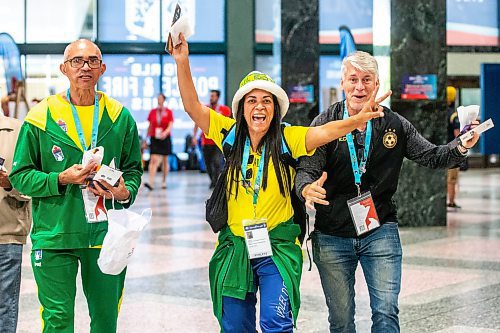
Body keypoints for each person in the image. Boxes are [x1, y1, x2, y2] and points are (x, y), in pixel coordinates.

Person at [172, 33, 387, 333]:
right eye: (252, 101)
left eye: (265, 101)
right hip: (235, 246)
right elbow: (192, 106)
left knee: (276, 322)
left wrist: (355, 119)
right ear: (241, 108)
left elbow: (325, 132)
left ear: (275, 108)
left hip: (277, 246)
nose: (259, 107)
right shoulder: (229, 134)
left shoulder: (289, 138)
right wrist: (182, 60)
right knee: (235, 327)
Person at [295, 51, 480, 333]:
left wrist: (462, 145)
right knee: (341, 320)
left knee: (386, 313)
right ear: (343, 83)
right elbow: (307, 167)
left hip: (380, 229)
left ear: (377, 84)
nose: (360, 87)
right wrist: (306, 188)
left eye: (367, 80)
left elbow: (432, 156)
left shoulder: (394, 124)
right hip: (332, 234)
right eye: (353, 79)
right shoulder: (325, 123)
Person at [9, 39, 143, 333]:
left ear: (103, 68)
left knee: (106, 320)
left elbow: (133, 170)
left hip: (106, 237)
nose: (85, 67)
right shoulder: (40, 117)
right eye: (77, 61)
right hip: (55, 235)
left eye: (92, 60)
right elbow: (20, 175)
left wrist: (123, 192)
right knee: (57, 321)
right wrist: (60, 178)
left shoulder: (120, 118)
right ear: (64, 68)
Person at [0, 113, 32, 333]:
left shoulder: (20, 131)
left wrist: (9, 183)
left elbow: (34, 185)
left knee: (5, 307)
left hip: (7, 233)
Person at [193, 89, 231, 188]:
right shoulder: (205, 108)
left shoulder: (224, 110)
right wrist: (194, 136)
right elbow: (197, 122)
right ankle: (213, 180)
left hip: (218, 140)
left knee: (217, 162)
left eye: (213, 96)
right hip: (206, 141)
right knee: (208, 163)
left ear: (218, 97)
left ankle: (215, 182)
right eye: (210, 96)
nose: (211, 98)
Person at [144, 93, 174, 190]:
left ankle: (164, 181)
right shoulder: (153, 112)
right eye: (158, 98)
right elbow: (150, 125)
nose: (159, 100)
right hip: (154, 138)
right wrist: (146, 138)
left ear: (164, 100)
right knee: (153, 159)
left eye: (160, 98)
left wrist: (165, 133)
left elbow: (170, 125)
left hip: (165, 138)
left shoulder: (168, 112)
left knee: (165, 160)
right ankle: (151, 182)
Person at [446, 86, 461, 208]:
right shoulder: (453, 115)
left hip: (436, 149)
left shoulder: (439, 112)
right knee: (452, 178)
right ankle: (451, 201)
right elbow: (457, 135)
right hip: (451, 150)